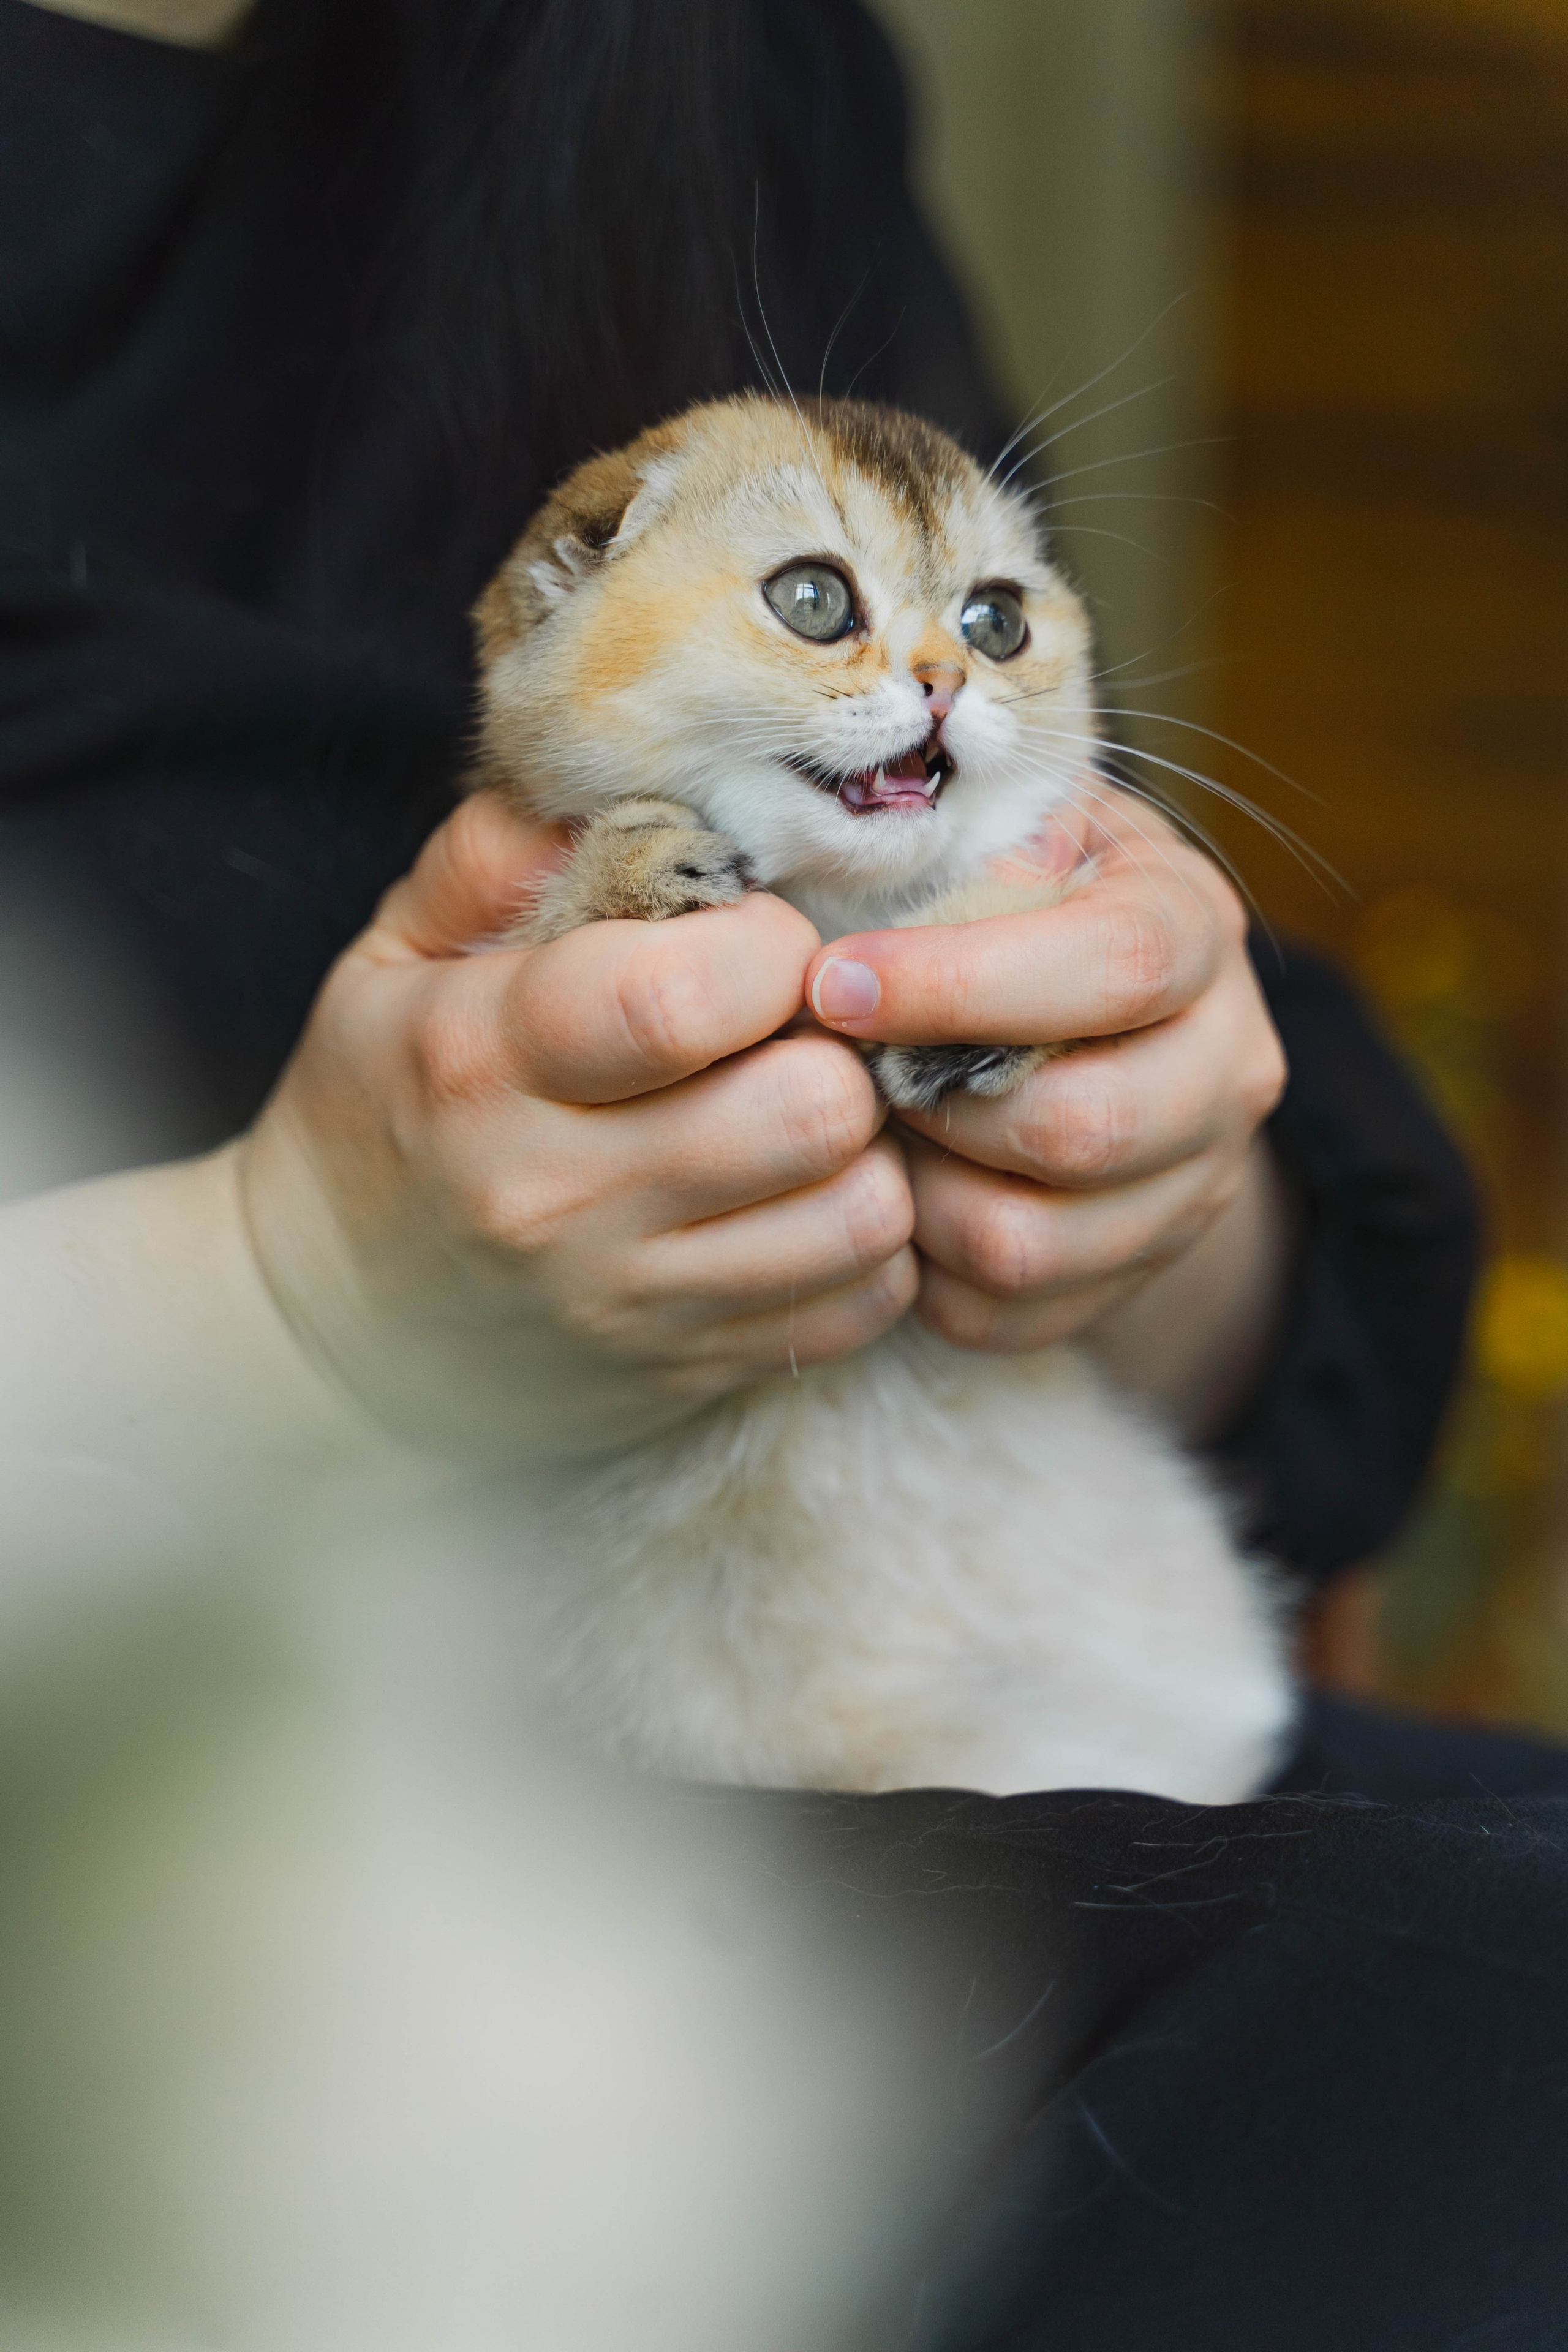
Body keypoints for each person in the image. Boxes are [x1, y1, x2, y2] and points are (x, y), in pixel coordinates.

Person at [4, 0, 1566, 2342]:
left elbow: (1302, 1286)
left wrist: (1129, 1179)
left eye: (996, 626)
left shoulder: (706, 56)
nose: (936, 677)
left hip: (1061, 1738)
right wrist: (296, 1288)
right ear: (558, 593)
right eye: (824, 606)